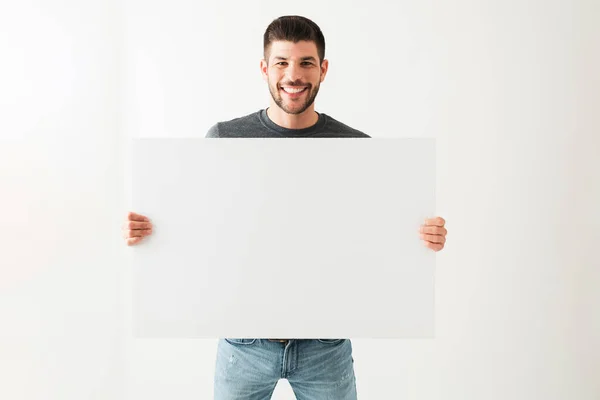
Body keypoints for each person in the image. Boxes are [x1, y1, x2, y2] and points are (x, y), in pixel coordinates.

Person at [122, 15, 448, 400]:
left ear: (323, 69)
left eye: (306, 63)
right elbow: (203, 227)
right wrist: (151, 229)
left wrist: (421, 236)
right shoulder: (224, 139)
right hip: (243, 343)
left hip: (324, 344)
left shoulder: (358, 149)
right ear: (264, 68)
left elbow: (376, 236)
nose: (293, 75)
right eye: (281, 63)